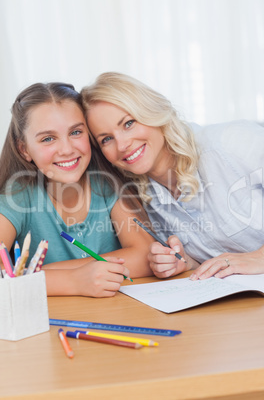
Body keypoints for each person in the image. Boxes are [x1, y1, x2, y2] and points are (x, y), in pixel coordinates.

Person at [81, 72, 264, 281]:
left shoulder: (229, 142)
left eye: (128, 123)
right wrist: (184, 262)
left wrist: (263, 257)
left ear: (152, 111)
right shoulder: (142, 198)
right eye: (106, 139)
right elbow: (218, 258)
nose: (122, 145)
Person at [0, 82, 154, 297]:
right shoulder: (18, 194)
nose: (67, 149)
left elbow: (145, 255)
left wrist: (32, 276)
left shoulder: (107, 181)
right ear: (24, 149)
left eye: (75, 132)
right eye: (48, 138)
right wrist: (74, 281)